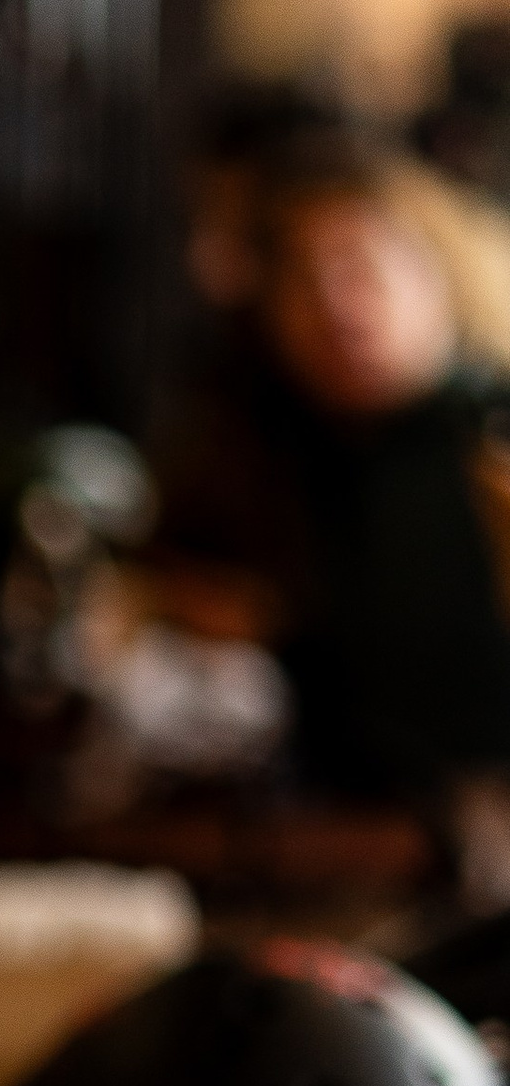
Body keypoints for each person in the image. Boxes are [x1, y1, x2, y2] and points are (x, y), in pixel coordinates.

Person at [153, 130, 510, 888]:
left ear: (438, 276)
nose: (338, 307)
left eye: (364, 270)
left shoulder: (488, 442)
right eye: (306, 282)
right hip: (346, 842)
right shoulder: (282, 448)